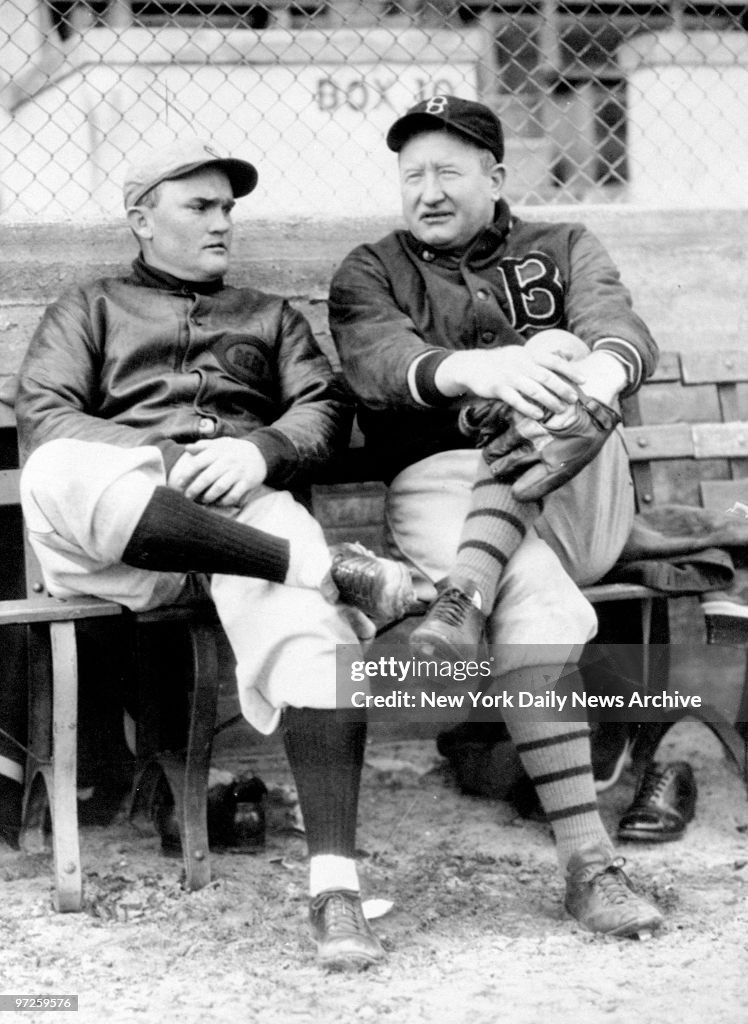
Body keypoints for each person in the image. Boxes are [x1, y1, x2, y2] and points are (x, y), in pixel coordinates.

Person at [14, 137, 418, 971]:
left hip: (243, 529)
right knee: (57, 469)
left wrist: (259, 452)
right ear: (141, 218)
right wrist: (168, 459)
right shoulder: (88, 308)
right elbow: (46, 418)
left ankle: (334, 892)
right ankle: (325, 569)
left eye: (228, 207)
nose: (222, 221)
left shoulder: (269, 316)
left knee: (316, 644)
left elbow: (323, 411)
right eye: (200, 206)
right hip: (118, 539)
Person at [329, 95, 664, 938]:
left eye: (448, 170)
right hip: (442, 483)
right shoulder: (371, 270)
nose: (427, 191)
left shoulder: (564, 246)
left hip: (580, 485)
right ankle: (592, 868)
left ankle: (462, 595)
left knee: (562, 356)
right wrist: (486, 370)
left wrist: (573, 379)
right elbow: (378, 366)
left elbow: (620, 328)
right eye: (412, 175)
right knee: (538, 606)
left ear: (497, 176)